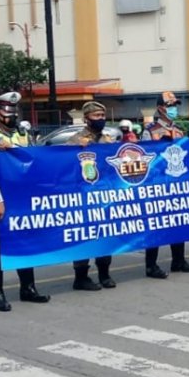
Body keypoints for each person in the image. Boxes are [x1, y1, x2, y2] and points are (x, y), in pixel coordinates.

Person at [0, 91, 51, 311]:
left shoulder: (22, 135)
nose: (12, 115)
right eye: (7, 111)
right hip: (0, 201)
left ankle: (28, 288)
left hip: (23, 200)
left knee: (26, 243)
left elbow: (33, 160)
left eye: (14, 111)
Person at [141, 91, 189, 277]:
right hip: (157, 185)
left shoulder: (179, 131)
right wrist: (159, 149)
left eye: (175, 105)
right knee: (156, 226)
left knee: (179, 222)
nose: (174, 109)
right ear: (160, 108)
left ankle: (179, 261)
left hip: (176, 184)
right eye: (170, 105)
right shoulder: (149, 131)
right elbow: (144, 158)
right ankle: (151, 265)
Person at [66, 101, 117, 291]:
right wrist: (75, 149)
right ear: (87, 118)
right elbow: (63, 163)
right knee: (84, 236)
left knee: (106, 235)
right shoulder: (75, 139)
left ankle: (104, 274)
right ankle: (81, 277)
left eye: (103, 116)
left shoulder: (107, 140)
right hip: (83, 196)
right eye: (97, 116)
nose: (101, 120)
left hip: (104, 195)